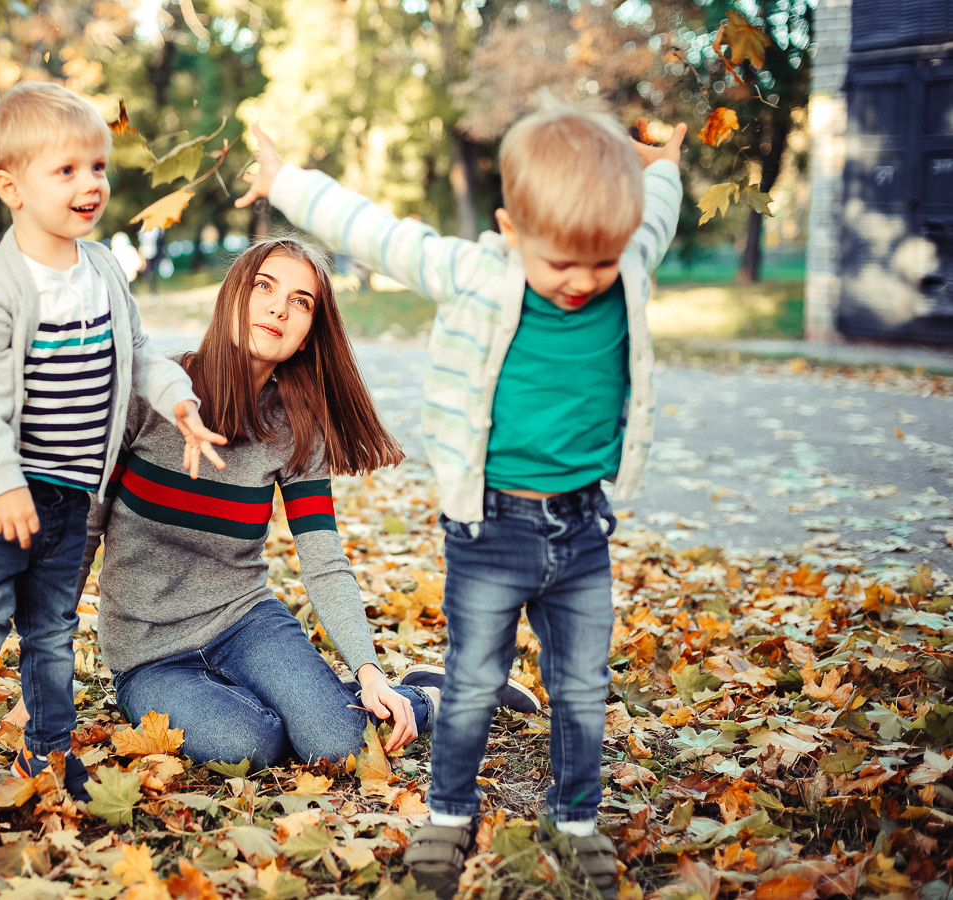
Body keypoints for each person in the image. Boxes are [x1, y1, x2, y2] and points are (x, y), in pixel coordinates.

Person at [236, 108, 685, 898]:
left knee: (580, 685)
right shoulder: (479, 273)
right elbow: (378, 232)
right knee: (475, 678)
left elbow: (659, 216)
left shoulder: (626, 261)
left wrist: (667, 165)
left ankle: (574, 817)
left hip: (583, 527)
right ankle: (450, 810)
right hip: (490, 528)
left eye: (601, 260)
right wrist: (285, 181)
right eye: (561, 262)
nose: (582, 279)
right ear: (513, 230)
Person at [3, 236, 541, 766]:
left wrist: (368, 671)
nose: (279, 308)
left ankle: (433, 697)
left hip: (245, 622)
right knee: (251, 745)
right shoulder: (148, 394)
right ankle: (299, 708)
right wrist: (40, 681)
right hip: (149, 656)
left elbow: (324, 561)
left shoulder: (295, 428)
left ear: (308, 334)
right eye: (265, 286)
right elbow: (78, 538)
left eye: (300, 301)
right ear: (235, 295)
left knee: (337, 745)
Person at [0, 81, 226, 817]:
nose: (90, 183)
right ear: (11, 186)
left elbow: (140, 352)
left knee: (52, 631)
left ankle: (49, 748)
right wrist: (2, 483)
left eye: (96, 167)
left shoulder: (101, 271)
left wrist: (178, 399)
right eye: (65, 170)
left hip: (68, 496)